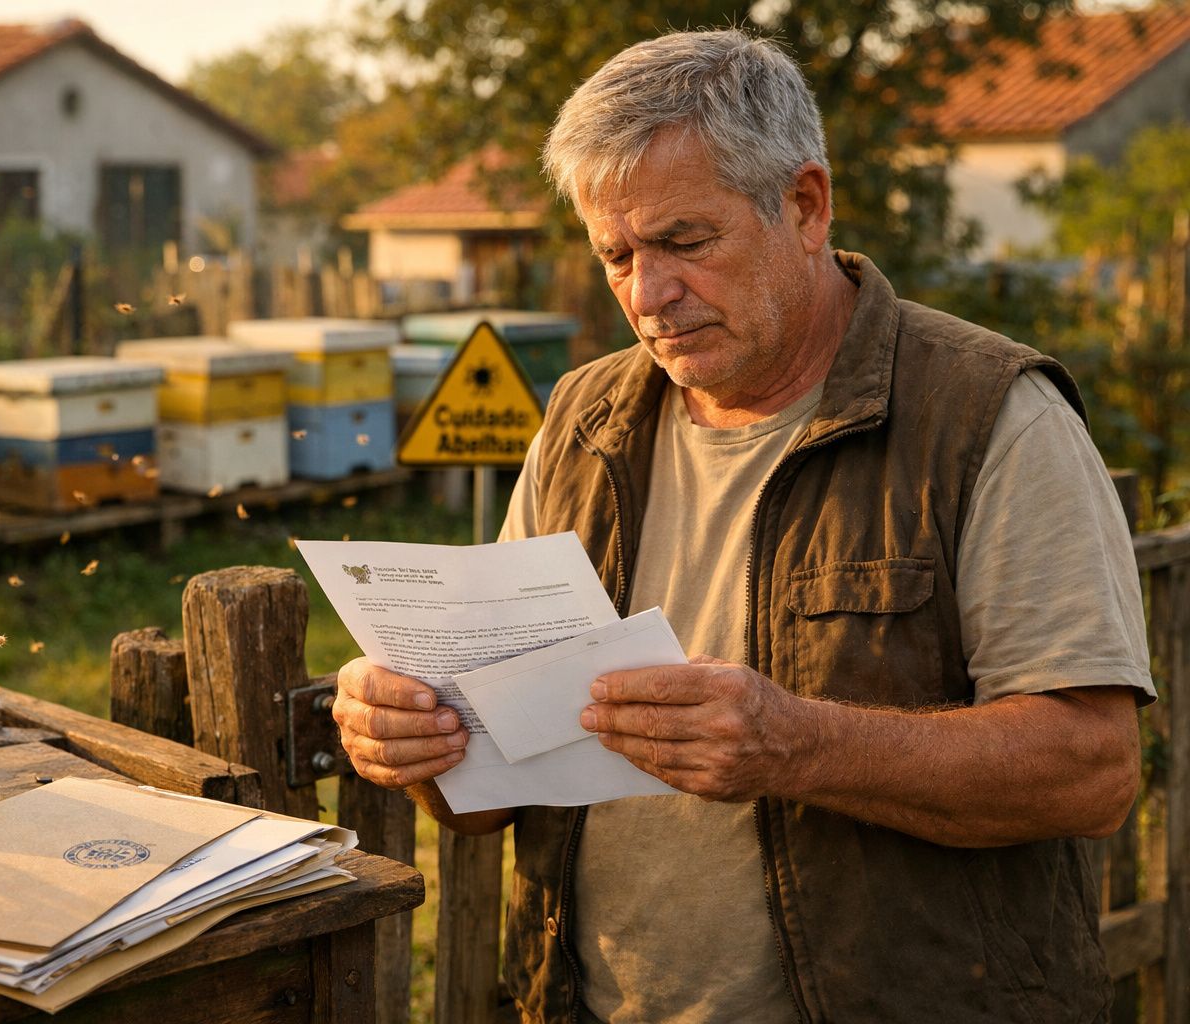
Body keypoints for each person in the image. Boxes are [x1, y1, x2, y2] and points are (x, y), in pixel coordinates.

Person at [332, 28, 1153, 1024]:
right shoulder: (582, 425)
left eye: (684, 242)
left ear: (804, 205)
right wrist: (419, 744)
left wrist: (796, 745)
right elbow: (497, 788)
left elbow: (1093, 769)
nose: (648, 294)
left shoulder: (990, 417)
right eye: (617, 256)